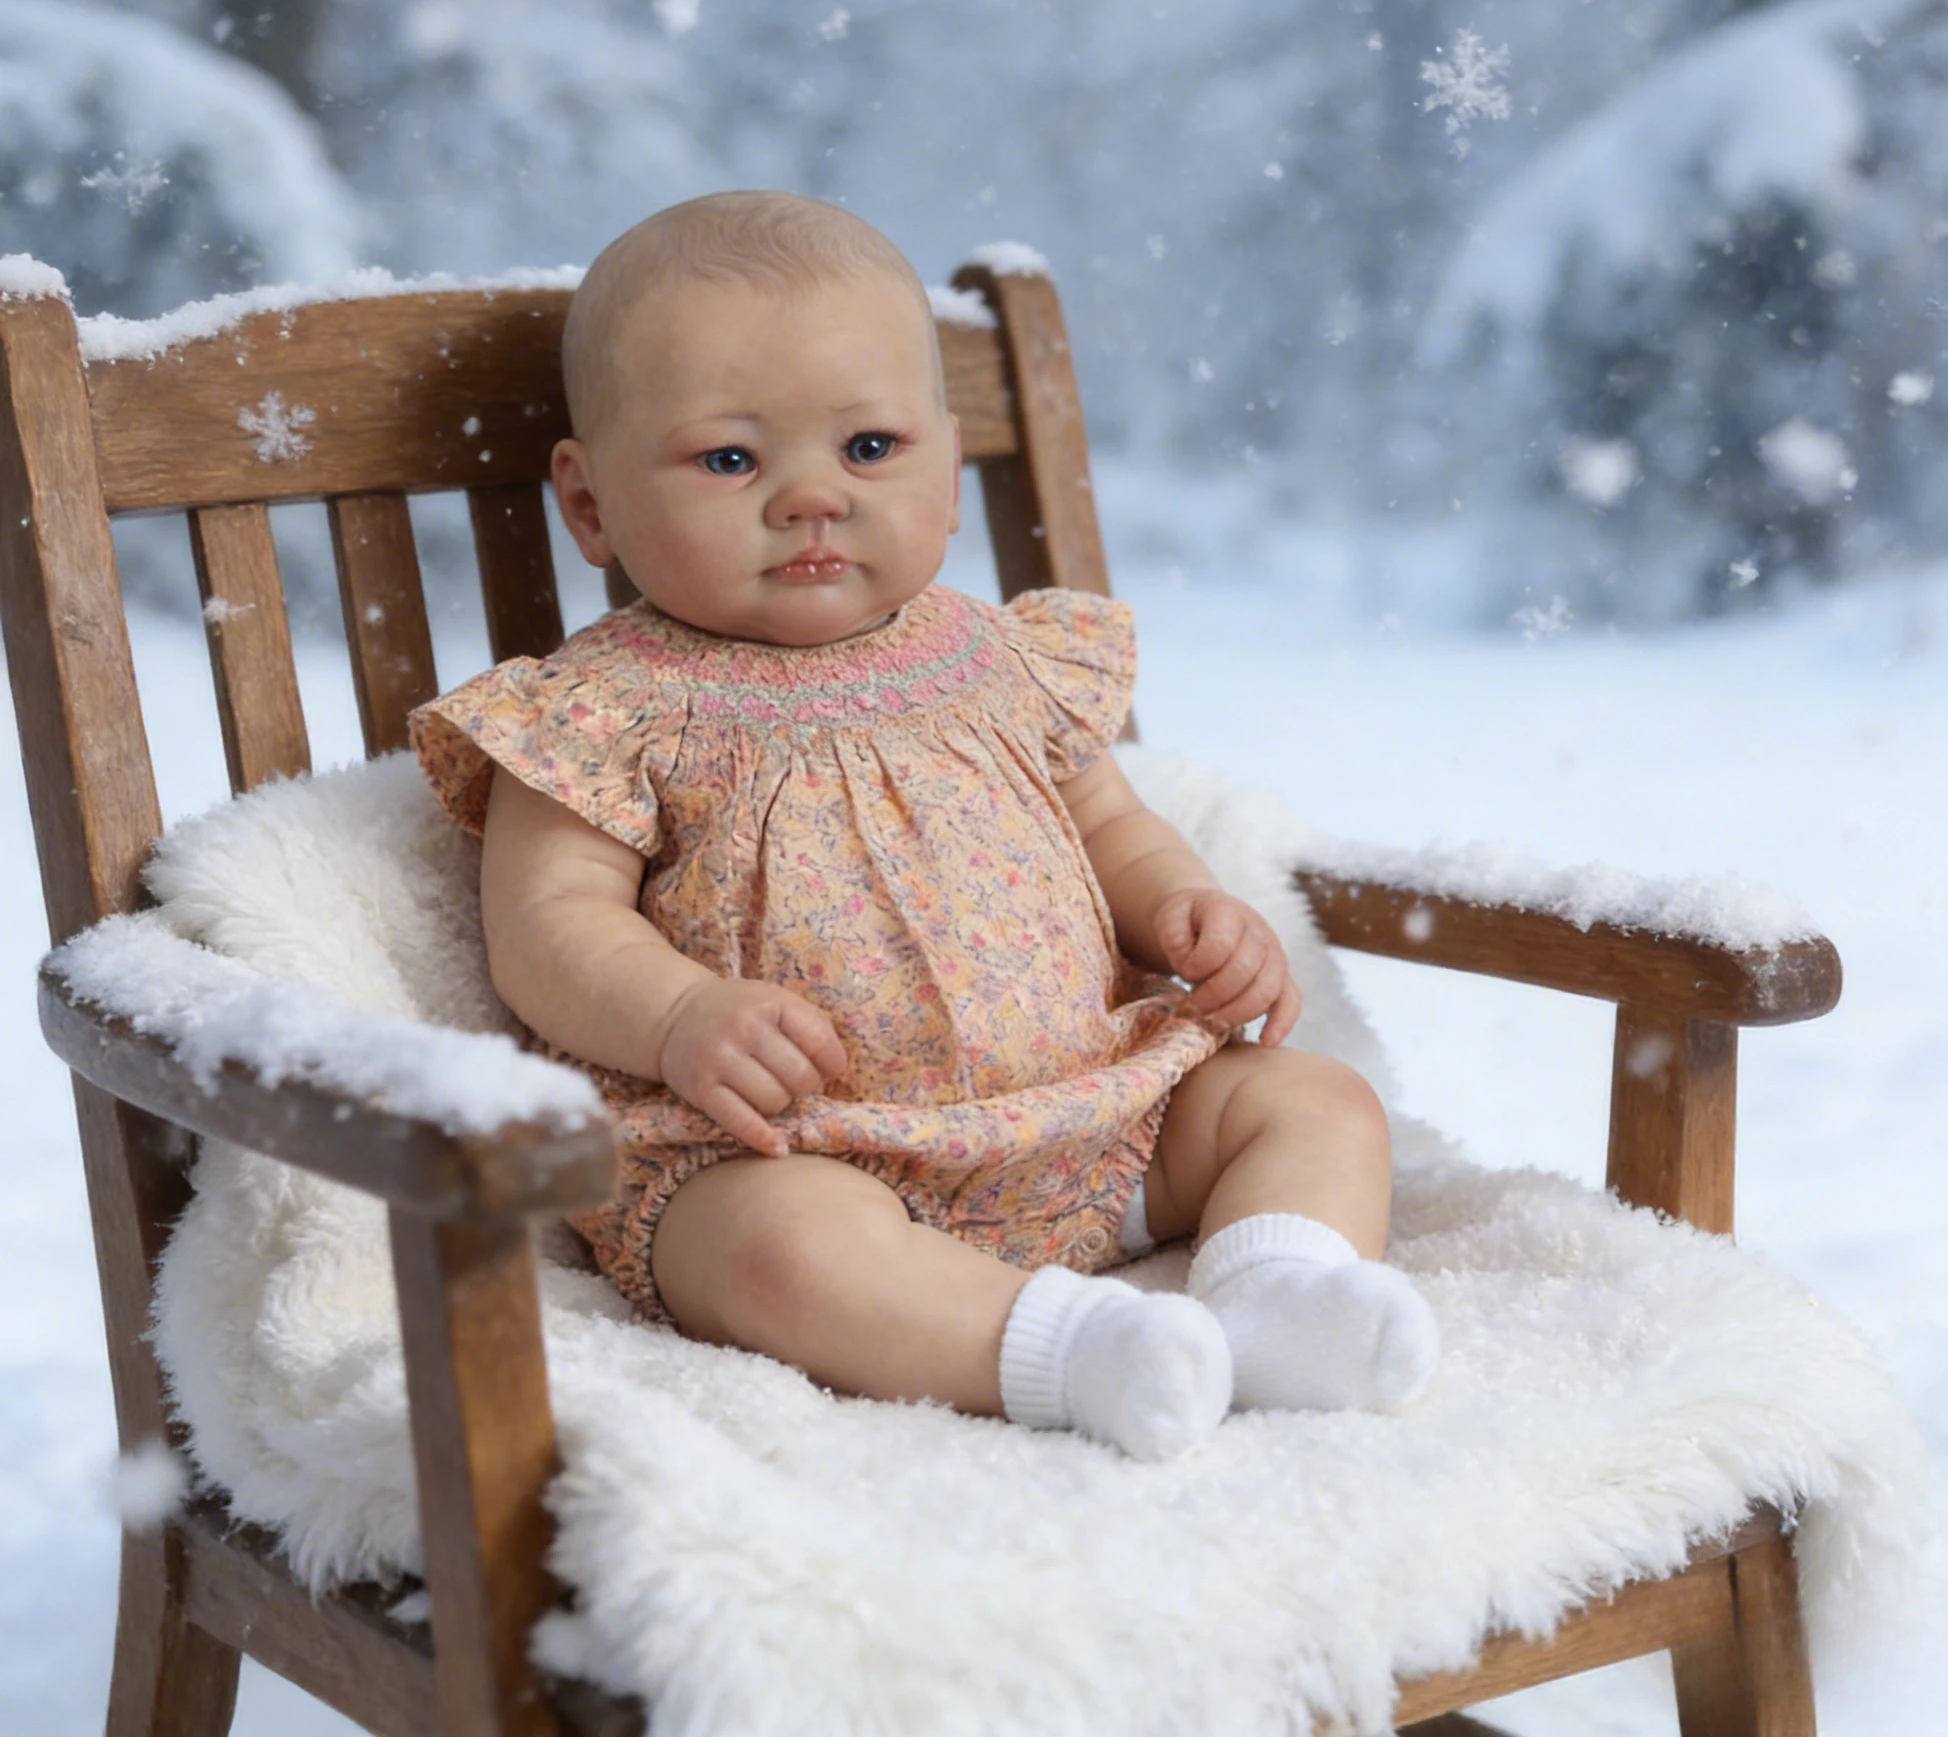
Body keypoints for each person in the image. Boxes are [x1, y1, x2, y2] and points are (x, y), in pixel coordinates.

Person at [411, 191, 1437, 1460]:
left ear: (948, 473)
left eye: (869, 447)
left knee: (1314, 1099)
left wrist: (1181, 904)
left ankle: (1274, 1291)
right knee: (777, 1254)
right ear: (590, 504)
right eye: (730, 459)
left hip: (1093, 1119)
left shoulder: (1000, 655)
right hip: (802, 1151)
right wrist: (678, 1014)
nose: (809, 500)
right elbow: (545, 924)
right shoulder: (600, 709)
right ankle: (1069, 1351)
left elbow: (1104, 813)